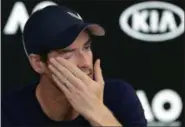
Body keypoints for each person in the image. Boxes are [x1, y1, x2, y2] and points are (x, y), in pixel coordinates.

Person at [2, 5, 147, 127]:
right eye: (68, 54)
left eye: (86, 47)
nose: (84, 62)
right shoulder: (9, 112)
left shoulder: (119, 97)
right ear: (38, 63)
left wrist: (98, 113)